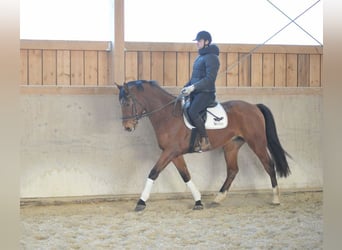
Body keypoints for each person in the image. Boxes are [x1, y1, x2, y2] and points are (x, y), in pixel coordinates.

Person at [181, 30, 220, 152]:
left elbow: (209, 79)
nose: (197, 43)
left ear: (207, 41)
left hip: (206, 93)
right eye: (197, 41)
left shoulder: (212, 58)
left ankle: (205, 140)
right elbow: (194, 78)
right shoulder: (200, 57)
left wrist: (193, 87)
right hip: (197, 92)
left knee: (192, 111)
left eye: (199, 41)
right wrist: (186, 87)